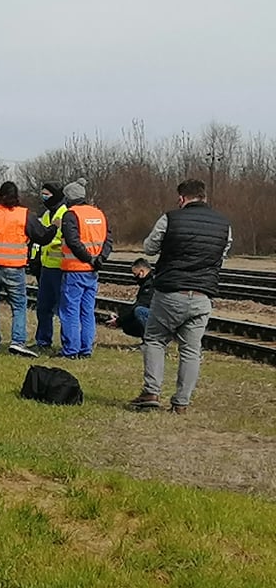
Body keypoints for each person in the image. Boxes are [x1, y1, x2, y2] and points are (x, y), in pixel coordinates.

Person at [128, 179, 232, 414]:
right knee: (191, 350)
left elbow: (149, 248)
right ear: (204, 197)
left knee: (155, 339)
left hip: (170, 292)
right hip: (203, 295)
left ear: (182, 198)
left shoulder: (170, 218)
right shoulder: (224, 224)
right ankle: (181, 403)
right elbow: (222, 254)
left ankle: (151, 392)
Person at [0, 181, 60, 357]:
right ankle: (17, 342)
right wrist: (54, 227)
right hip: (14, 268)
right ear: (17, 195)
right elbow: (42, 237)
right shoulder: (24, 215)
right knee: (19, 305)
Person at [58, 177, 113, 359]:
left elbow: (73, 241)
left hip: (75, 269)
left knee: (70, 311)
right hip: (93, 272)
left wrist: (88, 259)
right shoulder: (99, 214)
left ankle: (70, 350)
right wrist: (99, 260)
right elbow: (108, 240)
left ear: (69, 198)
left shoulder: (70, 215)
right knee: (87, 311)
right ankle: (86, 349)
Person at [28, 181, 68, 352]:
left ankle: (67, 344)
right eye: (42, 194)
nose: (43, 197)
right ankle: (43, 342)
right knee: (43, 308)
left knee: (64, 309)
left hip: (61, 269)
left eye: (47, 194)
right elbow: (39, 239)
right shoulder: (46, 215)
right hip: (46, 268)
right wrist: (34, 260)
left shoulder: (66, 214)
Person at [104, 258, 154, 338]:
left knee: (139, 311)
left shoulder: (150, 286)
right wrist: (120, 317)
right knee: (128, 321)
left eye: (135, 274)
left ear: (142, 272)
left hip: (161, 317)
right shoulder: (149, 282)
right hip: (159, 315)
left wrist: (119, 321)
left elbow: (140, 305)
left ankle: (151, 340)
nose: (135, 277)